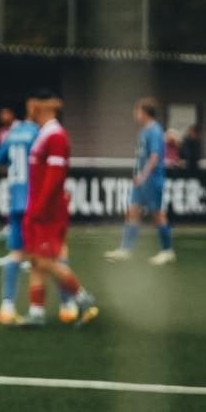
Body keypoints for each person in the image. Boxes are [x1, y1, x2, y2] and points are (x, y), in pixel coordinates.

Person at [19, 89, 98, 327]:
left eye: (32, 104)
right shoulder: (45, 133)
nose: (29, 109)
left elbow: (55, 177)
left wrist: (40, 208)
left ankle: (84, 300)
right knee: (35, 259)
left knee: (44, 261)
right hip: (38, 208)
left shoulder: (56, 136)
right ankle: (36, 312)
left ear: (43, 106)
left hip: (47, 211)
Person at [106, 98, 175, 265]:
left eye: (137, 110)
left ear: (144, 113)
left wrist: (143, 176)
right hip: (141, 180)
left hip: (152, 179)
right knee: (132, 211)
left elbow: (154, 157)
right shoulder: (143, 132)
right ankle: (125, 249)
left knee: (157, 215)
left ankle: (167, 251)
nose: (135, 114)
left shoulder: (155, 131)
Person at [0, 98, 42, 323]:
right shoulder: (39, 133)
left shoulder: (13, 133)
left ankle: (7, 306)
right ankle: (68, 304)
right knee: (52, 254)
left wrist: (12, 173)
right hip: (36, 201)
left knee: (15, 254)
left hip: (16, 201)